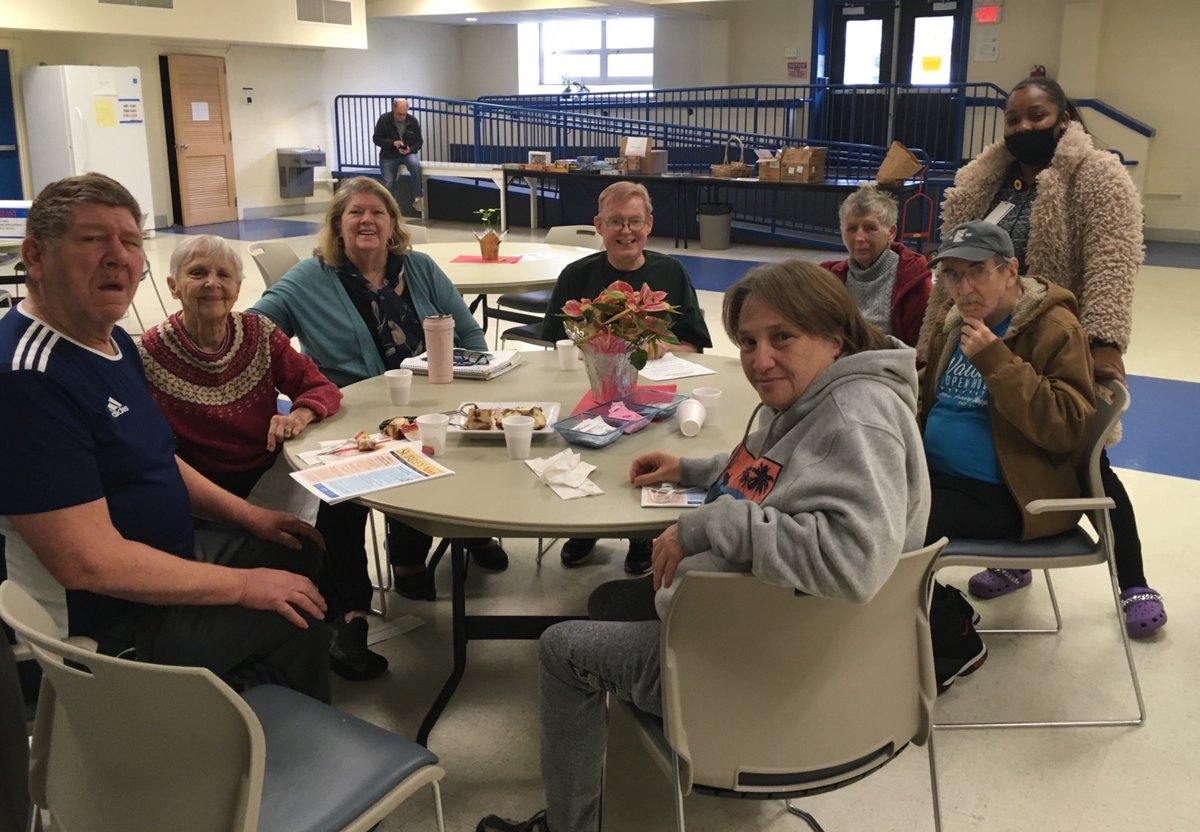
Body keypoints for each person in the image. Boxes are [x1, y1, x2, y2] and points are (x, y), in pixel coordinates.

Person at [478, 261, 931, 832]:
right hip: (794, 632)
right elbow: (779, 472)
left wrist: (707, 523)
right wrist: (692, 469)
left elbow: (852, 563)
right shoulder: (827, 396)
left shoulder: (853, 420)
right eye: (748, 341)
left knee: (561, 648)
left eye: (782, 337)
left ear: (834, 337)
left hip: (766, 664)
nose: (760, 361)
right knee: (612, 600)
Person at [0, 173, 330, 701]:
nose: (118, 257)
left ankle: (241, 695)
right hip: (112, 620)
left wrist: (250, 516)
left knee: (300, 550)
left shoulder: (110, 342)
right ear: (36, 256)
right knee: (297, 614)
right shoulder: (27, 378)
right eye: (93, 239)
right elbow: (88, 563)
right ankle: (235, 731)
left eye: (130, 242)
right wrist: (245, 586)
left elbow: (154, 458)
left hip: (169, 557)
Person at [917, 77, 1165, 638]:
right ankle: (1013, 558)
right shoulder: (989, 179)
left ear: (1063, 116)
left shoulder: (1094, 174)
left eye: (1037, 115)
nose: (1024, 126)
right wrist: (934, 337)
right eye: (1014, 118)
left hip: (1048, 323)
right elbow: (953, 264)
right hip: (987, 311)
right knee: (997, 437)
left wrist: (1103, 340)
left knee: (1084, 461)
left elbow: (1111, 258)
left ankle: (1132, 579)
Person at [138, 235, 390, 682]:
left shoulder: (258, 334)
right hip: (198, 491)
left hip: (267, 470)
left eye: (224, 274)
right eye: (197, 273)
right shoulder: (149, 353)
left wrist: (300, 413)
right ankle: (297, 636)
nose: (212, 284)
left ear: (238, 288)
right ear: (173, 285)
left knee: (339, 501)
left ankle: (343, 622)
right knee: (298, 543)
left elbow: (319, 387)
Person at [249, 176, 508, 604]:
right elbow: (255, 333)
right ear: (338, 224)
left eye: (377, 212)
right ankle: (351, 604)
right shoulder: (310, 278)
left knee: (467, 448)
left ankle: (462, 534)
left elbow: (468, 334)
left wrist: (471, 388)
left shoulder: (419, 268)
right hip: (350, 410)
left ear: (392, 224)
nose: (366, 220)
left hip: (432, 398)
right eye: (355, 212)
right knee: (343, 494)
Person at [918, 222, 1096, 691]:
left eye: (977, 271)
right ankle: (941, 609)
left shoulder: (1055, 329)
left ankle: (956, 644)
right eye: (952, 275)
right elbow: (930, 398)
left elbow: (1067, 425)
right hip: (938, 477)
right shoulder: (954, 322)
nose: (964, 288)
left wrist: (996, 361)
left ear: (1011, 270)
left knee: (894, 525)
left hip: (1012, 495)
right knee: (856, 499)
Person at [540, 180, 712, 574]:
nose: (626, 231)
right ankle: (585, 528)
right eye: (616, 221)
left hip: (654, 390)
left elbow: (696, 345)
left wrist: (662, 346)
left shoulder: (671, 272)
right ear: (599, 225)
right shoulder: (576, 275)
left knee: (646, 452)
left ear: (649, 224)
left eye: (635, 221)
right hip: (591, 386)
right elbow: (554, 346)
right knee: (587, 445)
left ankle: (640, 536)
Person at [820, 182, 931, 347]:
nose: (859, 238)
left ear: (891, 233)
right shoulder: (829, 280)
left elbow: (919, 351)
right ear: (842, 232)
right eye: (851, 229)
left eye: (870, 228)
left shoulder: (914, 281)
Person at [373, 97, 425, 212]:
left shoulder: (413, 121)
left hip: (407, 153)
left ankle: (418, 197)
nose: (401, 117)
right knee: (388, 183)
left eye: (404, 114)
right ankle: (392, 208)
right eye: (398, 114)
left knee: (415, 166)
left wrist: (410, 149)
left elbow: (419, 141)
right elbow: (376, 139)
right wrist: (393, 143)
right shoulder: (384, 119)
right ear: (393, 109)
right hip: (388, 155)